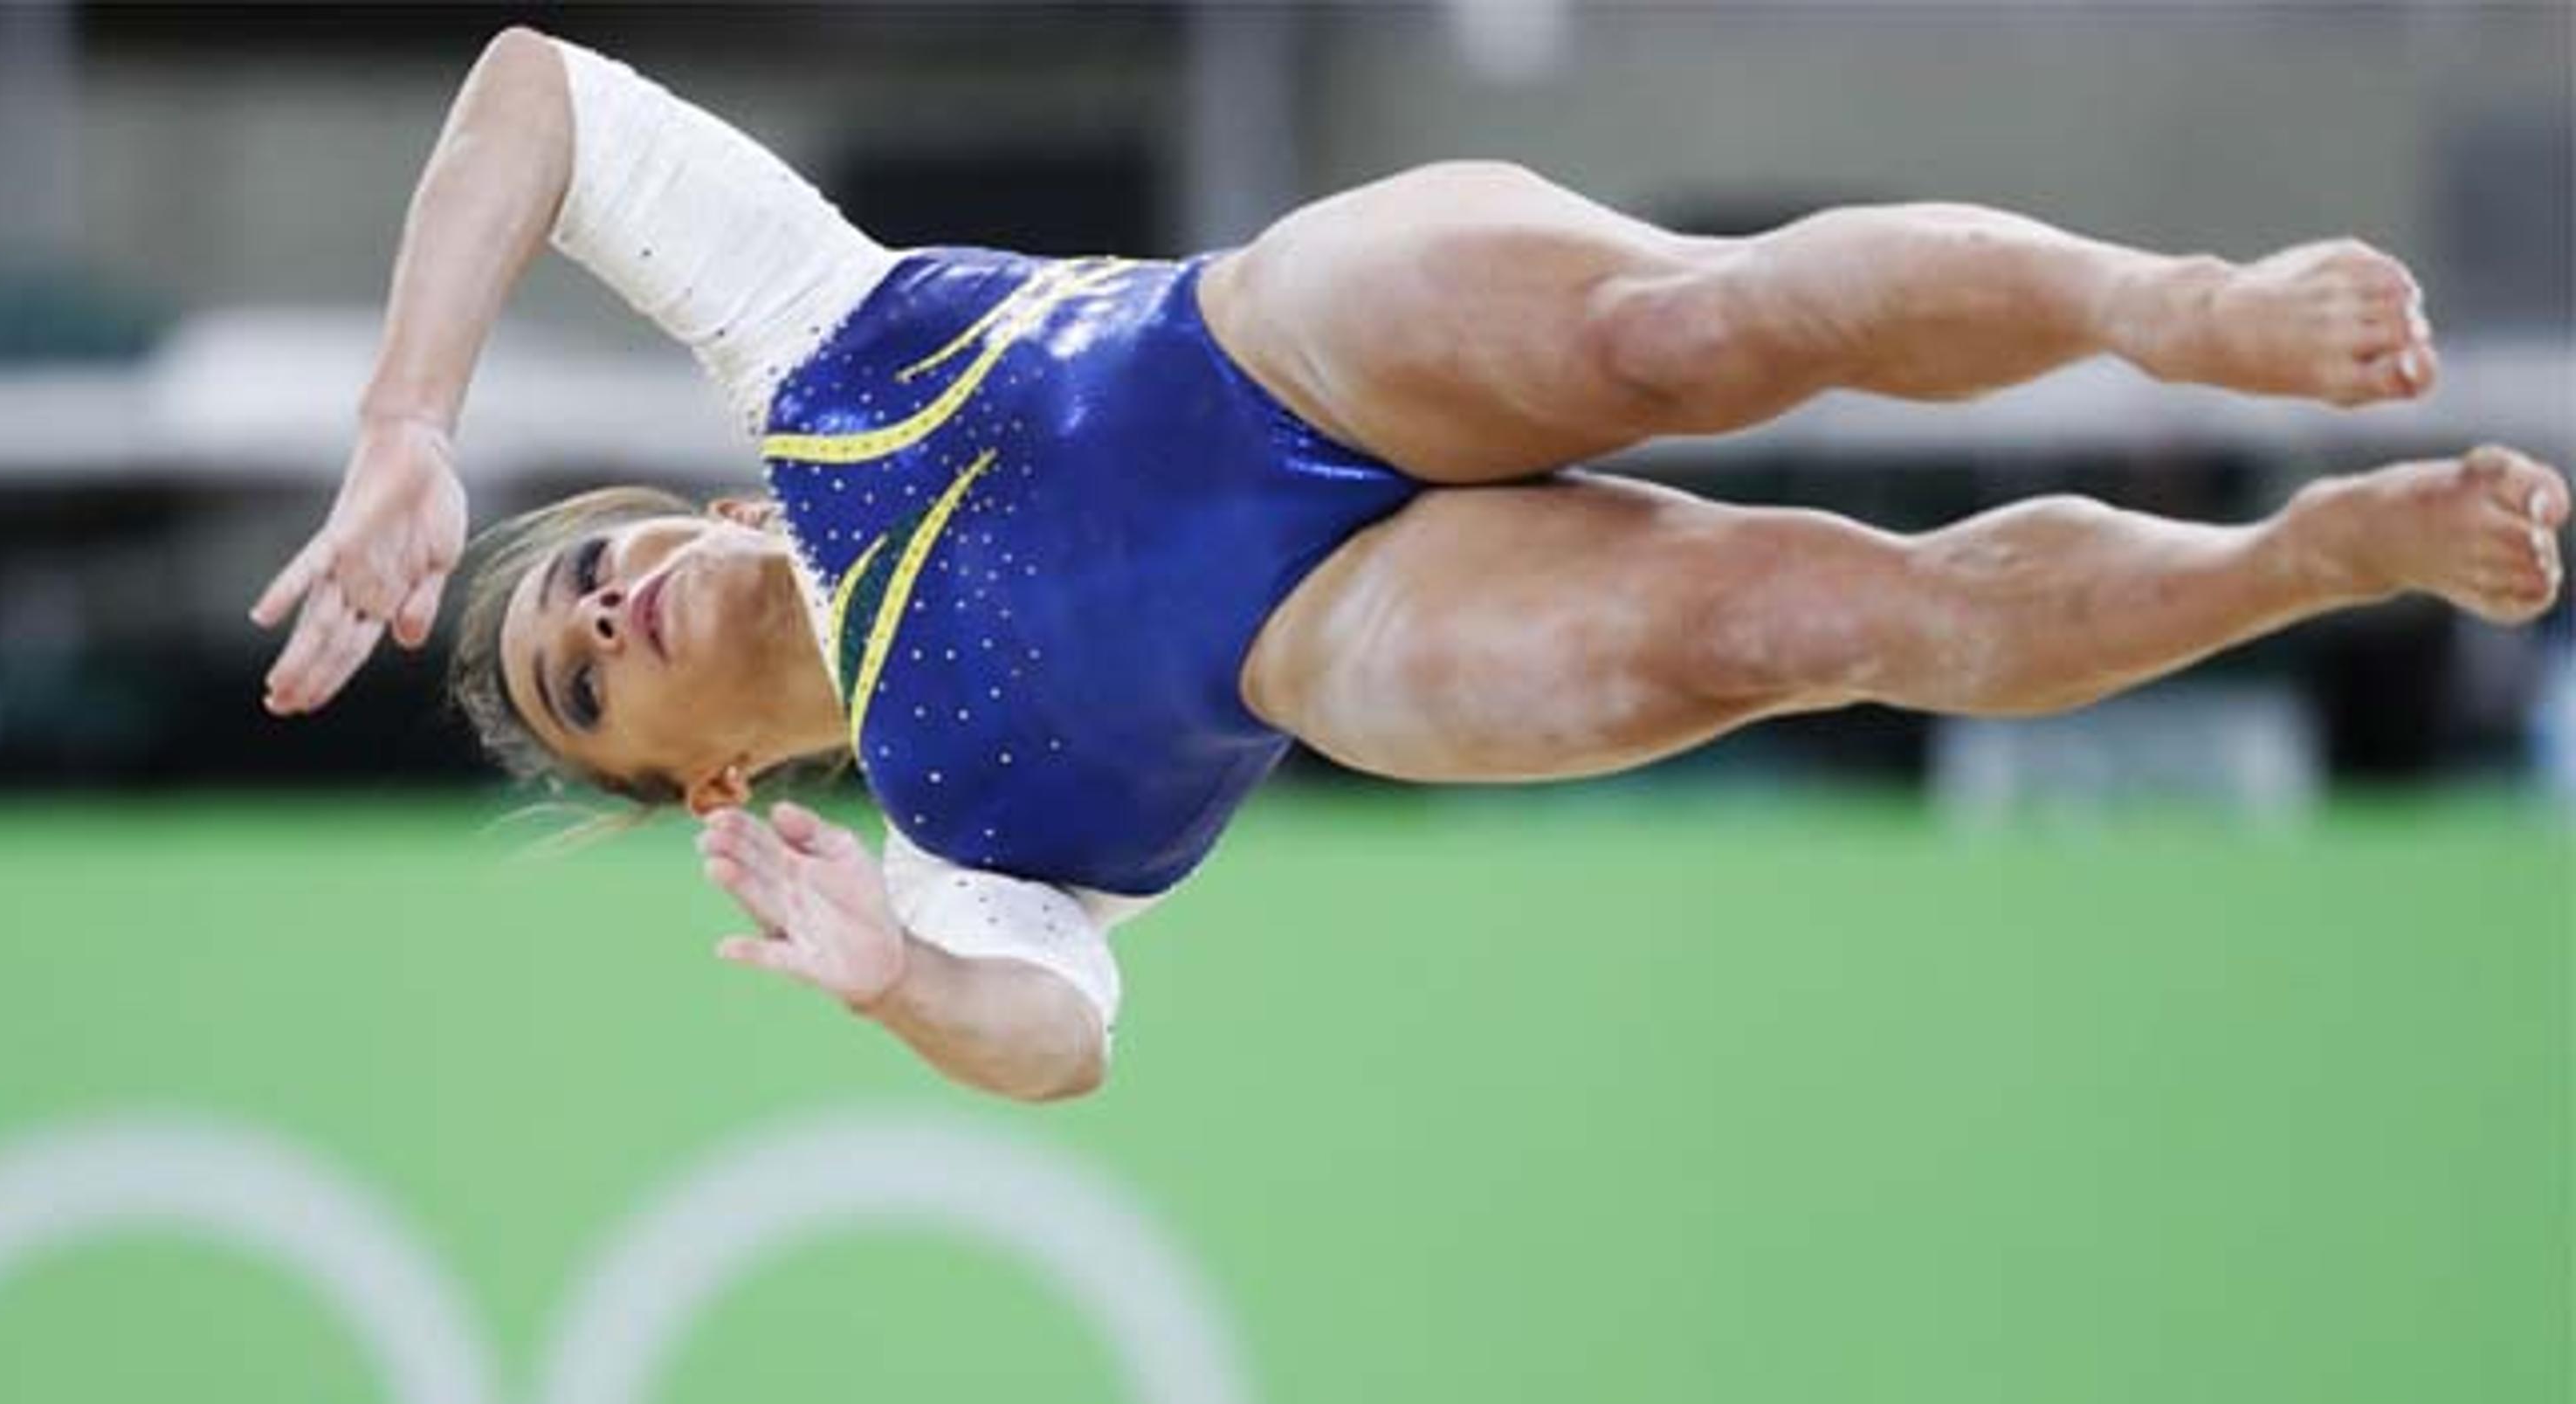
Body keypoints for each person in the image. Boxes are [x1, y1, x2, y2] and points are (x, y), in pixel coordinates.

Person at [251, 26, 2567, 1104]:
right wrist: (888, 983)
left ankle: (2154, 305)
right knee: (1837, 625)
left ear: (696, 511)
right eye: (574, 675)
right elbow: (1057, 1043)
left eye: (583, 569)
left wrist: (409, 419)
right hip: (1331, 640)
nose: (593, 610)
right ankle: (2319, 547)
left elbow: (537, 93)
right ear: (687, 790)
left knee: (1693, 327)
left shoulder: (816, 348)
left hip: (1290, 348)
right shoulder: (956, 841)